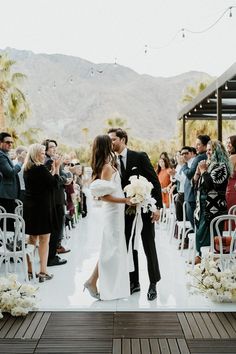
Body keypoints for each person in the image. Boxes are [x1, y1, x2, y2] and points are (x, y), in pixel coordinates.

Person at [108, 128, 162, 301]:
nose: (111, 143)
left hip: (145, 209)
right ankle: (134, 282)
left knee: (148, 245)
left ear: (123, 139)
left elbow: (155, 182)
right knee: (129, 246)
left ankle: (153, 283)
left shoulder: (139, 156)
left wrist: (157, 207)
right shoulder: (111, 162)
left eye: (114, 139)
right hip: (124, 211)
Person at [84, 135, 131, 300]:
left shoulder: (107, 165)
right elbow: (103, 196)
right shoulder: (106, 167)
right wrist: (126, 200)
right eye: (110, 142)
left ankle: (94, 280)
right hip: (112, 211)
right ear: (106, 146)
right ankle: (98, 282)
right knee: (111, 250)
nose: (113, 143)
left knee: (112, 248)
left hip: (116, 211)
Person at [23, 143, 62, 282]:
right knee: (44, 239)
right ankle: (43, 272)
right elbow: (54, 184)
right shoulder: (39, 169)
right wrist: (57, 167)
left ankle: (29, 271)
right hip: (42, 208)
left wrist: (51, 171)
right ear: (34, 154)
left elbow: (45, 183)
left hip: (30, 208)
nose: (44, 154)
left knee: (32, 239)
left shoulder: (27, 169)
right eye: (41, 152)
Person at [193, 140, 231, 264]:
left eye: (210, 150)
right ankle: (202, 260)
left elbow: (212, 186)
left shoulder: (222, 167)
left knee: (209, 237)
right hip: (203, 207)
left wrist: (204, 171)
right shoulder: (209, 165)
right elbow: (197, 186)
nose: (208, 153)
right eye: (208, 150)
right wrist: (198, 174)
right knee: (200, 235)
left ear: (217, 152)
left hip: (214, 209)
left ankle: (210, 266)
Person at [181, 135, 210, 228]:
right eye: (196, 144)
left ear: (205, 146)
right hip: (193, 194)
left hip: (192, 195)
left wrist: (183, 165)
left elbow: (190, 174)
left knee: (194, 223)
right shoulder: (202, 156)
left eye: (199, 144)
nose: (196, 146)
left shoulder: (199, 157)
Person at [0, 132, 24, 229]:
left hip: (8, 194)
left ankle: (8, 242)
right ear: (0, 142)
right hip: (5, 195)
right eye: (7, 142)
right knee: (7, 222)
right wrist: (20, 162)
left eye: (11, 142)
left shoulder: (5, 154)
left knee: (8, 221)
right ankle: (6, 243)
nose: (10, 144)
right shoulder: (1, 156)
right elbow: (10, 172)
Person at [225, 135, 236, 211]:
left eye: (230, 143)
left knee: (231, 211)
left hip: (232, 188)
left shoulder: (232, 158)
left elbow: (226, 174)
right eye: (227, 143)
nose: (228, 145)